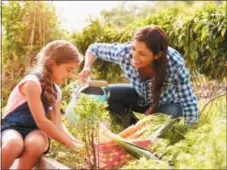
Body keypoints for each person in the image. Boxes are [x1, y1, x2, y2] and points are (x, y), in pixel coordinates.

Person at [78, 25, 199, 125]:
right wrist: (87, 67)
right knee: (106, 94)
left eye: (142, 53)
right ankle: (131, 126)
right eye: (134, 48)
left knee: (160, 124)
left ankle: (148, 128)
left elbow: (187, 99)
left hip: (166, 103)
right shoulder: (124, 53)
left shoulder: (174, 64)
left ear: (157, 55)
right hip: (140, 97)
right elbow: (93, 49)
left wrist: (191, 128)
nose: (134, 56)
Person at [1, 40, 84, 169]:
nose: (70, 75)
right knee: (14, 143)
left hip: (36, 131)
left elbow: (57, 125)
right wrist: (70, 144)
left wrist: (77, 142)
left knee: (36, 144)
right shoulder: (32, 83)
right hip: (12, 127)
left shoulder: (56, 91)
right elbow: (42, 121)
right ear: (52, 64)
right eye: (68, 70)